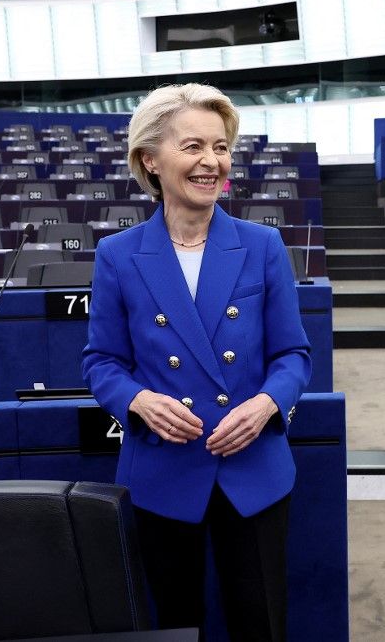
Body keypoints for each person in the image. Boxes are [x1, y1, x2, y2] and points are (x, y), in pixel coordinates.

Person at [82, 83, 312, 641]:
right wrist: (136, 399)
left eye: (221, 147)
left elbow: (293, 355)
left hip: (252, 469)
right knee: (176, 626)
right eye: (192, 147)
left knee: (261, 625)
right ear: (150, 161)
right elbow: (102, 362)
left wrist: (265, 405)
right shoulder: (117, 255)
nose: (212, 162)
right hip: (163, 471)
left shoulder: (262, 246)